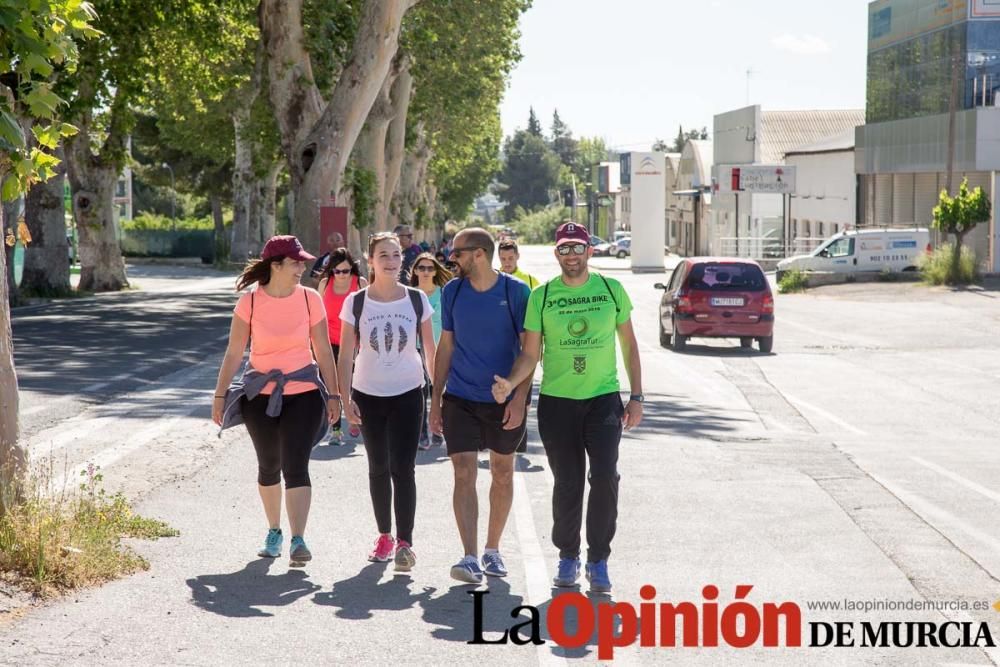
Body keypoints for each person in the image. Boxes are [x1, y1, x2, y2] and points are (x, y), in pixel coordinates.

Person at [491, 221, 643, 594]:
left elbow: (629, 346)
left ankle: (599, 560)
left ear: (590, 251)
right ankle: (568, 556)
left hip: (603, 401)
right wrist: (512, 385)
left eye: (578, 247)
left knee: (605, 476)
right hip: (558, 403)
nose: (571, 255)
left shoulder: (611, 289)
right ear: (556, 253)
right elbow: (530, 353)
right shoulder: (542, 297)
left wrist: (636, 396)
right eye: (564, 248)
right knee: (569, 483)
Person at [213, 235, 341, 565]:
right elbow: (233, 352)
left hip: (304, 394)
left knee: (296, 465)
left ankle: (298, 539)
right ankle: (274, 531)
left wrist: (336, 394)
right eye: (296, 262)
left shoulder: (311, 299)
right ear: (276, 265)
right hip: (259, 396)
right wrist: (219, 395)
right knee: (269, 465)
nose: (303, 267)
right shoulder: (250, 303)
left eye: (303, 262)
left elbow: (324, 350)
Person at [429, 228, 531, 584]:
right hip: (460, 396)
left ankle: (492, 549)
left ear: (479, 255)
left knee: (502, 473)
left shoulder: (515, 292)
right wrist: (435, 399)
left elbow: (530, 354)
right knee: (463, 473)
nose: (451, 258)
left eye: (457, 253)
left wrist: (518, 399)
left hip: (503, 399)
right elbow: (446, 347)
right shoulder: (452, 292)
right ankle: (469, 555)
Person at [337, 232, 436, 572]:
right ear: (371, 260)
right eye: (384, 255)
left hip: (409, 392)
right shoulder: (357, 302)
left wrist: (438, 395)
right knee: (378, 466)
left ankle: (405, 543)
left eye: (396, 255)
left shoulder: (417, 299)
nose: (392, 261)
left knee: (403, 468)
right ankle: (384, 537)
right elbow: (346, 353)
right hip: (368, 394)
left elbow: (429, 350)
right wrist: (344, 397)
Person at [317, 248, 367, 444]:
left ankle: (354, 417)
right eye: (337, 271)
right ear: (331, 271)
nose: (341, 275)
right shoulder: (324, 284)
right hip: (329, 341)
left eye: (345, 271)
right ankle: (336, 429)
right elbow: (318, 315)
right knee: (332, 385)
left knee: (354, 382)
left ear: (352, 270)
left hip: (354, 341)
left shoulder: (360, 283)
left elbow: (368, 311)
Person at [410, 252, 453, 450]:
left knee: (440, 391)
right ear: (415, 271)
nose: (426, 272)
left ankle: (438, 429)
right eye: (422, 268)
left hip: (441, 350)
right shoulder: (408, 294)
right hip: (415, 350)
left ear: (436, 271)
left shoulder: (445, 294)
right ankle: (422, 434)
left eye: (430, 268)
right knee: (420, 393)